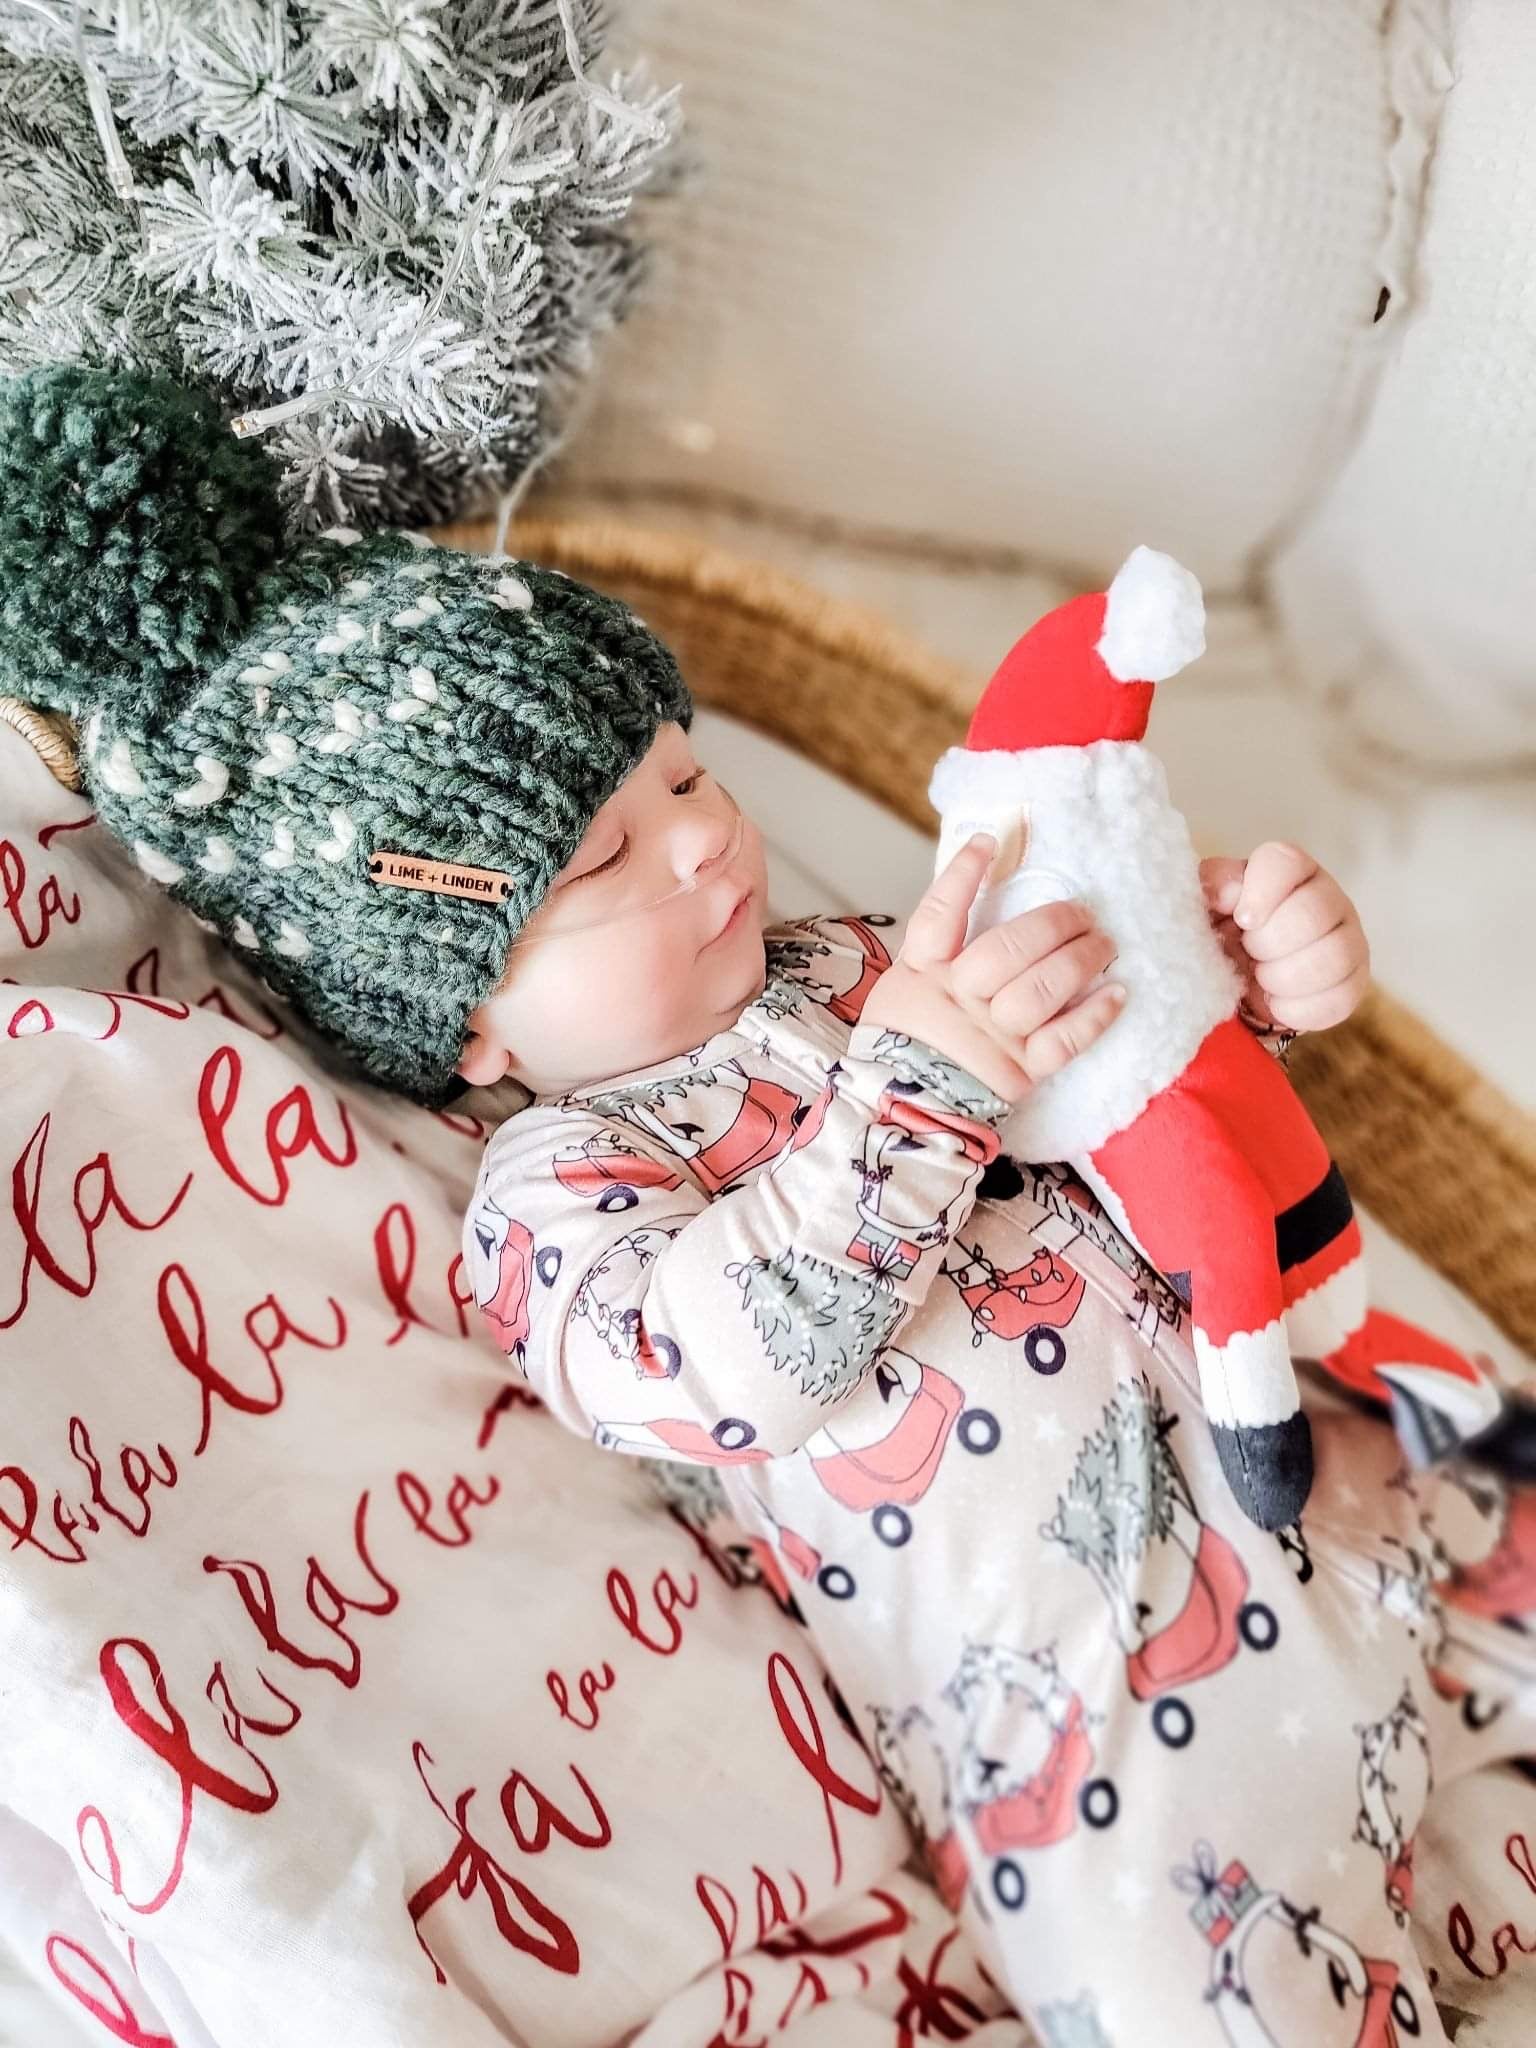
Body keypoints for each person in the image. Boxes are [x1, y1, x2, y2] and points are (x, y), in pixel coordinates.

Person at [14, 362, 1536, 2045]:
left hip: (1378, 1498)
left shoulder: (868, 960)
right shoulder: (559, 1197)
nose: (698, 843)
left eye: (681, 773)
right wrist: (923, 1080)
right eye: (598, 862)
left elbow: (1134, 1052)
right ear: (467, 1023)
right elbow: (732, 1363)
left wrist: (1245, 962)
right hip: (1114, 1739)